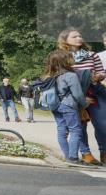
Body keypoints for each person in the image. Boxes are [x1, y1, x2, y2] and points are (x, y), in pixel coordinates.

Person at [58, 28, 106, 164]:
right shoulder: (62, 57)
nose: (79, 38)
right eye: (74, 36)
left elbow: (101, 72)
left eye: (80, 36)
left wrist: (98, 76)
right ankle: (86, 154)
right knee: (80, 126)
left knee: (103, 124)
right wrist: (80, 98)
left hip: (95, 92)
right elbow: (60, 78)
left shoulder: (92, 54)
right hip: (74, 94)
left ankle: (104, 151)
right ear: (65, 40)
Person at [43, 50, 98, 167]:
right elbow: (77, 94)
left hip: (55, 106)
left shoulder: (49, 76)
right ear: (64, 61)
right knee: (75, 130)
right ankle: (73, 158)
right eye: (70, 57)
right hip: (68, 106)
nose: (73, 59)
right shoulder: (70, 75)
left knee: (62, 131)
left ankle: (68, 157)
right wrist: (84, 104)